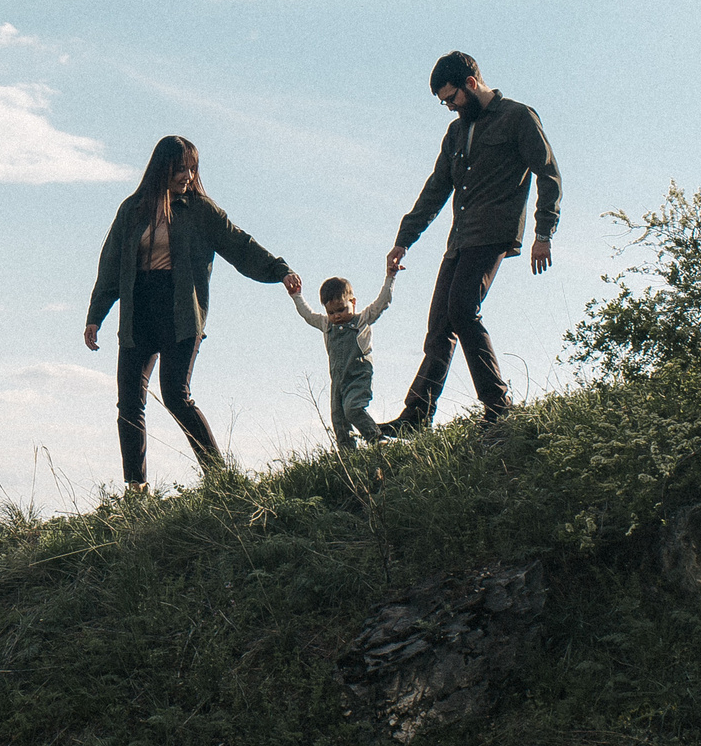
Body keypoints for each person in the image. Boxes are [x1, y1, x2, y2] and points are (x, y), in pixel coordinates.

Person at [86, 135, 303, 486]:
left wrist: (280, 270)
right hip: (139, 310)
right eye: (179, 168)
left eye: (192, 168)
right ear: (162, 169)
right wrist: (96, 315)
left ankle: (220, 480)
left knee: (174, 394)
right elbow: (111, 263)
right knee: (128, 403)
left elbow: (240, 244)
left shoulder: (201, 211)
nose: (187, 175)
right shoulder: (133, 209)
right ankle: (136, 489)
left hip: (181, 311)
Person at [383, 52, 561, 431]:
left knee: (463, 308)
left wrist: (542, 234)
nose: (449, 107)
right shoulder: (456, 133)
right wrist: (405, 238)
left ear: (471, 83)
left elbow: (548, 174)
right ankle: (416, 417)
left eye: (452, 98)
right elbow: (436, 189)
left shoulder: (517, 117)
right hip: (460, 239)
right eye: (443, 103)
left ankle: (498, 405)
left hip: (493, 232)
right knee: (440, 324)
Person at [288, 270, 397, 450]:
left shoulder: (361, 320)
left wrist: (390, 277)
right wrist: (296, 295)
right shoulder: (326, 325)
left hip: (358, 376)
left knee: (352, 409)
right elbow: (307, 315)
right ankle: (348, 456)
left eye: (341, 309)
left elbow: (382, 302)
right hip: (337, 380)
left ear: (353, 303)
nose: (336, 316)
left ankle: (377, 439)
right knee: (338, 419)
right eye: (331, 312)